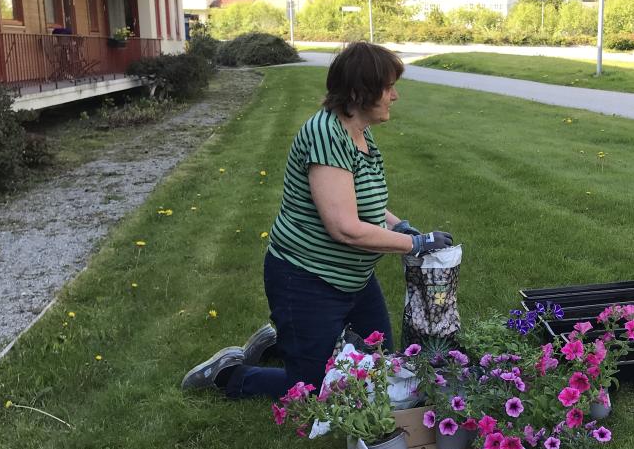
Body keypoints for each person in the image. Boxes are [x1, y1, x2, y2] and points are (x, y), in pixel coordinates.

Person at [181, 42, 454, 397]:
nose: (395, 96)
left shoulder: (360, 133)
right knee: (313, 388)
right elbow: (344, 228)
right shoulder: (325, 134)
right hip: (306, 279)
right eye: (388, 88)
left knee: (380, 366)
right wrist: (415, 244)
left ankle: (281, 342)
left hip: (354, 280)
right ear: (358, 92)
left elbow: (365, 203)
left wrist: (399, 226)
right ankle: (229, 374)